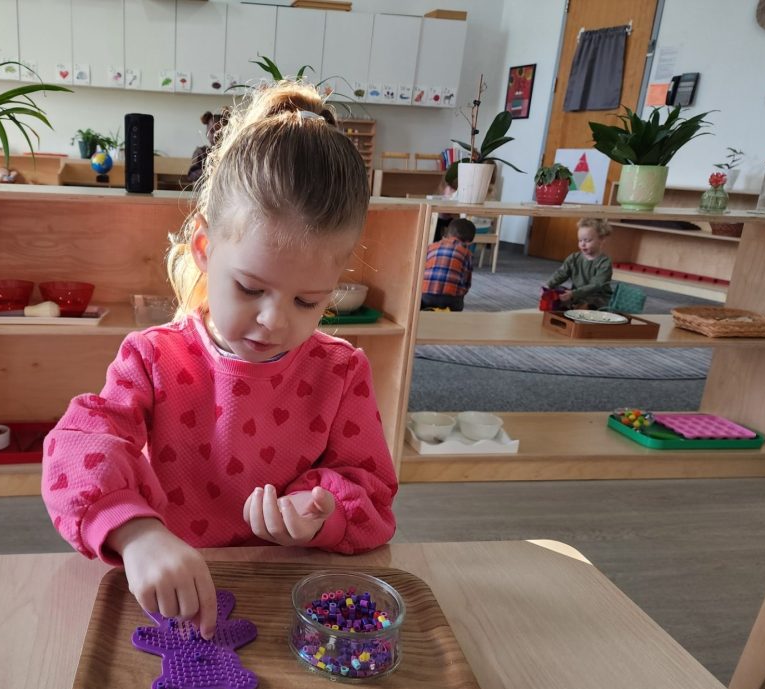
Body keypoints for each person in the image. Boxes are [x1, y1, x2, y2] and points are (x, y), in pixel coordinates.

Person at [42, 82, 398, 638]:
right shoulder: (153, 358)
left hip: (290, 604)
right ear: (205, 250)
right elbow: (76, 447)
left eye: (308, 301)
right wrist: (136, 534)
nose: (274, 321)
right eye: (251, 288)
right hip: (176, 605)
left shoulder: (340, 372)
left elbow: (372, 492)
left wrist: (323, 514)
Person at [545, 218, 613, 310]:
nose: (583, 244)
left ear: (601, 240)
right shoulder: (574, 258)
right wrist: (549, 285)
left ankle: (580, 309)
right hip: (577, 294)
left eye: (587, 240)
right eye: (580, 240)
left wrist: (573, 294)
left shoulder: (604, 262)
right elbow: (561, 273)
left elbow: (596, 285)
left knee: (589, 306)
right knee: (558, 295)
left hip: (597, 297)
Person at [421, 218, 476, 312]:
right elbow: (467, 283)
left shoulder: (431, 247)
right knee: (457, 301)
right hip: (450, 299)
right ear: (469, 242)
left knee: (423, 304)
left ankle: (426, 311)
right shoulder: (467, 253)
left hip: (426, 295)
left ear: (447, 234)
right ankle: (451, 317)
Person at [185, 108, 229, 184]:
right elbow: (191, 175)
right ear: (206, 133)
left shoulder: (230, 153)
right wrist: (210, 171)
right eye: (212, 131)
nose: (216, 134)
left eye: (220, 132)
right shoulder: (201, 152)